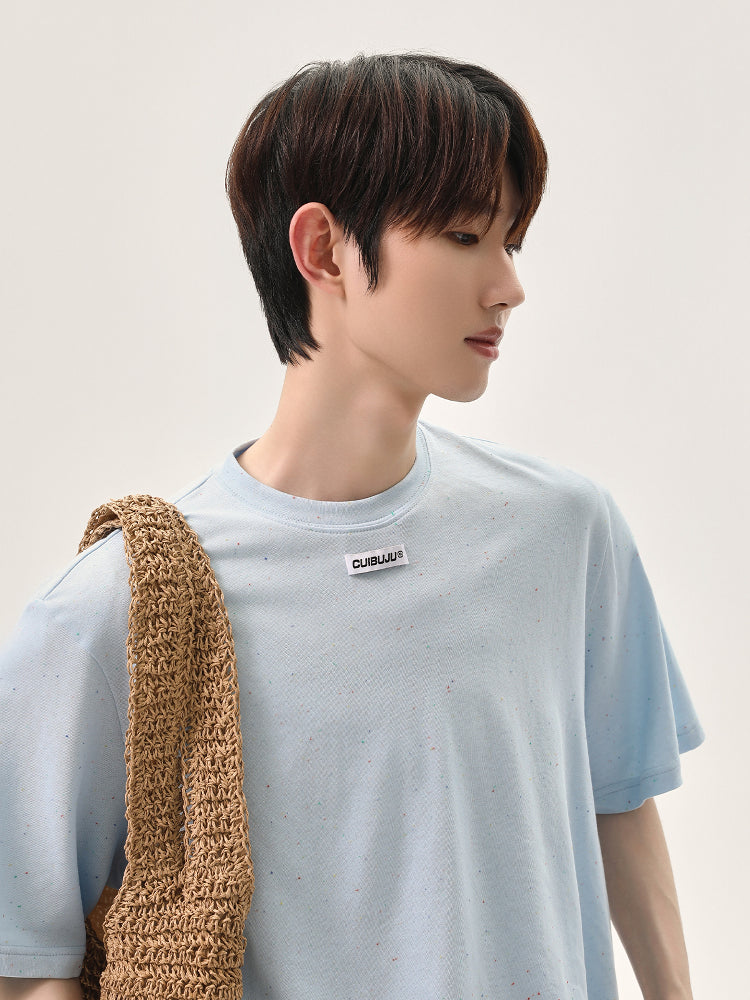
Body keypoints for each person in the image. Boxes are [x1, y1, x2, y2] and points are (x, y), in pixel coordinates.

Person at [0, 52, 705, 999]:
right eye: (465, 235)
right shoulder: (117, 610)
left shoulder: (564, 534)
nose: (508, 285)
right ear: (324, 250)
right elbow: (25, 957)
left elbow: (618, 804)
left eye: (511, 241)